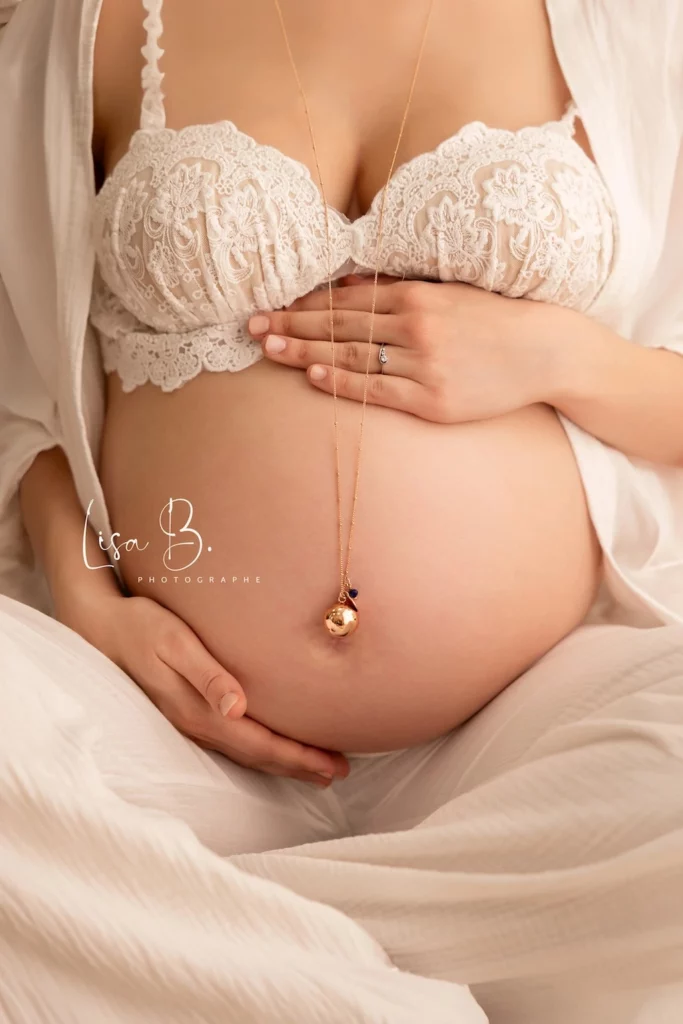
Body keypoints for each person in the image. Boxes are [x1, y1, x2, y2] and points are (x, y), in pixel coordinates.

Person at [0, 1, 682, 1021]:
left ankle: (209, 948)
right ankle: (405, 978)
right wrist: (87, 596)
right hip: (160, 731)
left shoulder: (629, 24)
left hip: (528, 728)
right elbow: (14, 384)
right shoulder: (86, 21)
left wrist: (559, 357)